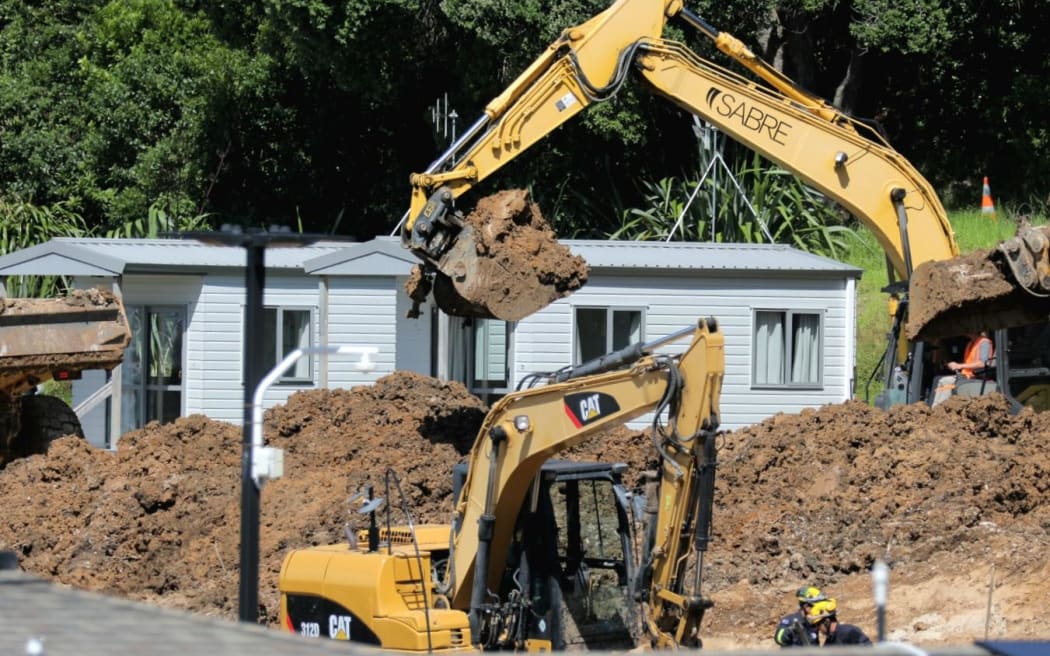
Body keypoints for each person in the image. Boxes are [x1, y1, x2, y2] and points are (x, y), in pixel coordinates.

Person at [930, 331, 994, 406]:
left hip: (976, 377)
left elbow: (982, 364)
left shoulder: (984, 343)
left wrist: (959, 366)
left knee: (945, 381)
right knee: (938, 379)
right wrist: (953, 365)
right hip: (966, 375)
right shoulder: (970, 343)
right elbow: (968, 362)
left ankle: (939, 408)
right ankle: (935, 406)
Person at [806, 598, 872, 646]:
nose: (817, 628)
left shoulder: (849, 632)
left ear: (826, 621)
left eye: (818, 624)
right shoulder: (828, 644)